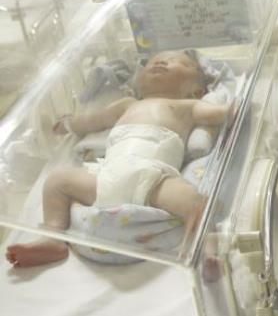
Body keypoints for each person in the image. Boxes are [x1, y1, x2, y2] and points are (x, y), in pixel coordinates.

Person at [5, 50, 229, 268]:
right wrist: (68, 124)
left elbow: (218, 114)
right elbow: (94, 120)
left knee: (195, 201)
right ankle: (52, 238)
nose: (162, 62)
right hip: (106, 176)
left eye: (178, 63)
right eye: (156, 60)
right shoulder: (127, 104)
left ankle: (209, 248)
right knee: (56, 181)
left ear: (197, 91)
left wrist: (231, 108)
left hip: (153, 177)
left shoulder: (188, 106)